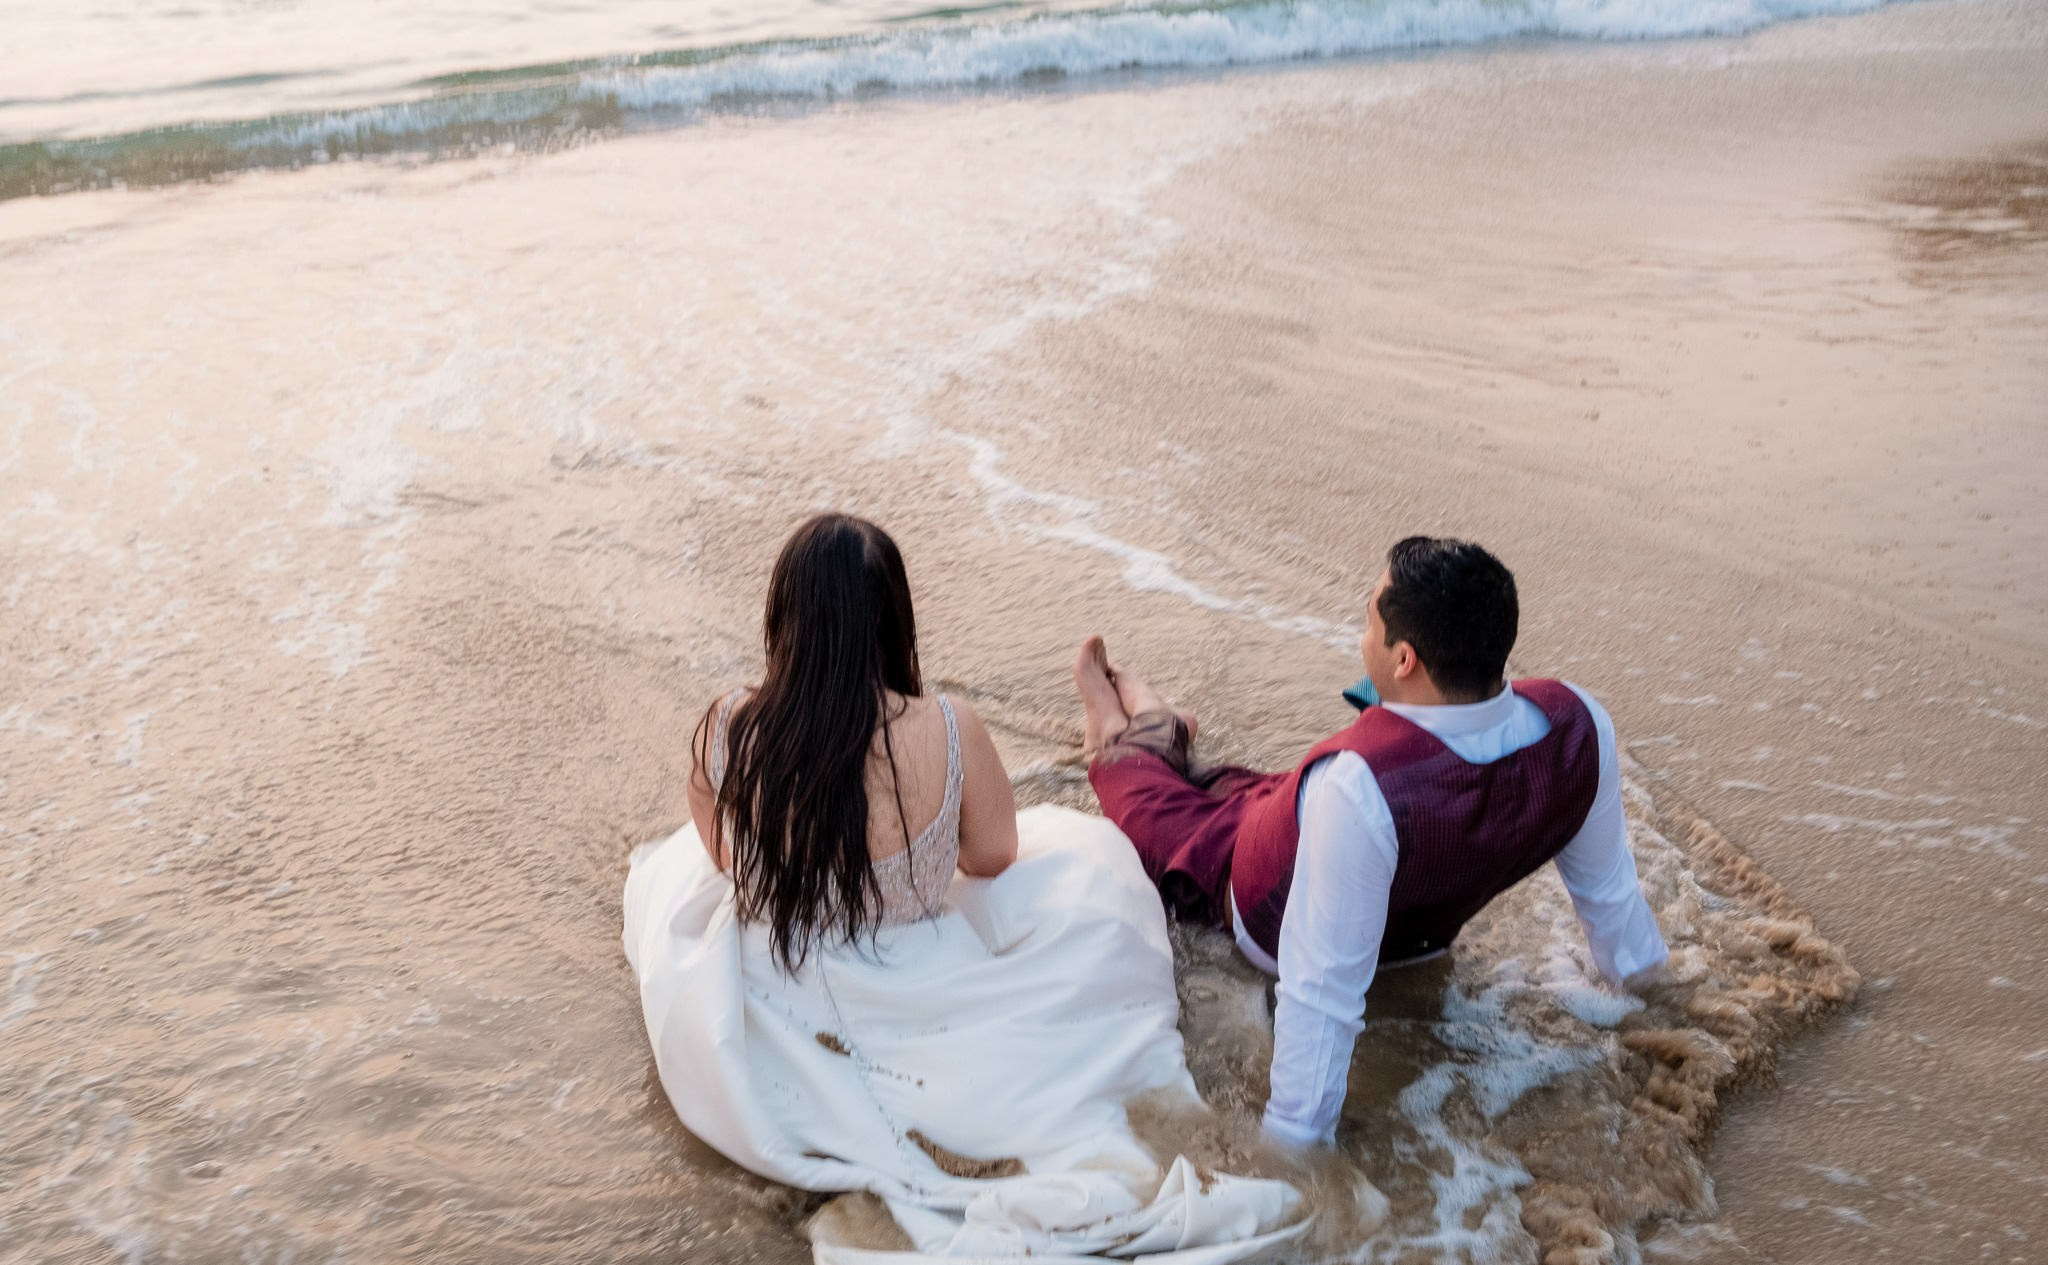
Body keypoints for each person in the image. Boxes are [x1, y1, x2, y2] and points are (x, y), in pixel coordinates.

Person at [623, 513, 1313, 1263]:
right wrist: (911, 856)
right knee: (1094, 865)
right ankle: (1137, 725)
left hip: (781, 966)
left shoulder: (728, 727)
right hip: (917, 964)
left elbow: (725, 859)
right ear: (895, 619)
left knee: (668, 875)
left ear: (783, 617)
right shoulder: (949, 727)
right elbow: (992, 857)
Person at [1073, 535, 1669, 1150]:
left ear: (1404, 659)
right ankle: (1170, 734)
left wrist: (1295, 1153)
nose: (1363, 636)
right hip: (1337, 837)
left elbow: (1319, 996)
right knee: (1243, 790)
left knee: (1133, 791)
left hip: (1252, 885)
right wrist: (1652, 996)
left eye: (1368, 620)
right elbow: (1610, 897)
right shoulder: (1578, 722)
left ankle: (1127, 726)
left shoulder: (1359, 787)